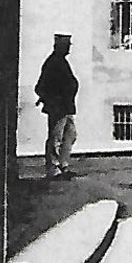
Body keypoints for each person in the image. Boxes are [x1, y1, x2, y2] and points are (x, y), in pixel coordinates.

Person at [35, 33, 79, 180]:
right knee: (55, 137)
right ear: (59, 46)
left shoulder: (61, 62)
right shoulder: (52, 63)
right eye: (66, 46)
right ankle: (53, 168)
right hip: (58, 107)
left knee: (70, 135)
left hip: (66, 107)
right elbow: (41, 87)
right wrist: (53, 100)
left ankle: (63, 165)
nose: (69, 49)